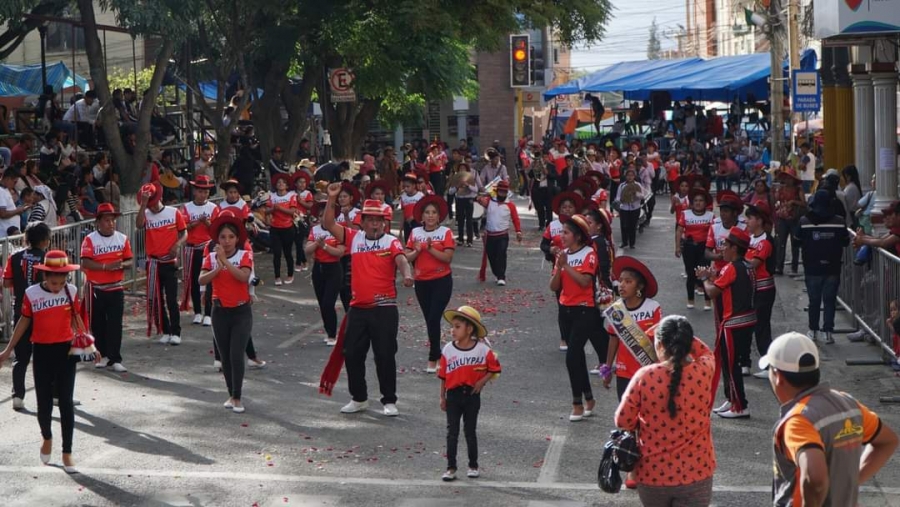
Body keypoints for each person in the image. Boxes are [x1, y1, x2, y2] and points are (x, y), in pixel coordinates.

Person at [762, 332, 898, 506]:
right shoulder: (847, 403)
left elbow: (815, 476)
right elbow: (888, 441)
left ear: (778, 376)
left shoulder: (797, 421)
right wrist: (851, 481)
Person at [322, 185, 414, 416]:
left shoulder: (391, 242)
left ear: (384, 222)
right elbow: (328, 224)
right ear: (362, 221)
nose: (374, 224)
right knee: (352, 354)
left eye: (378, 220)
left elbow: (402, 259)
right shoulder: (354, 238)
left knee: (384, 354)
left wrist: (408, 274)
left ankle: (389, 400)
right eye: (370, 220)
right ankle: (359, 398)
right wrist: (332, 198)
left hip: (384, 308)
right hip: (358, 309)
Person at [0, 250, 91, 473]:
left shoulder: (72, 290)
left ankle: (67, 452)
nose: (57, 286)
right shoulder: (31, 294)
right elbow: (23, 321)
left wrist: (90, 345)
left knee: (66, 402)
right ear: (44, 276)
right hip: (40, 351)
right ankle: (47, 437)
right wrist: (8, 350)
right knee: (44, 403)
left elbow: (76, 319)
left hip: (66, 351)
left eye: (61, 281)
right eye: (53, 282)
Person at [614, 316, 716, 505]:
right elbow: (707, 352)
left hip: (653, 474)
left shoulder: (645, 376)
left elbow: (622, 420)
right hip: (698, 471)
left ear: (660, 345)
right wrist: (684, 335)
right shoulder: (704, 369)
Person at [550, 214, 608, 421]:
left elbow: (585, 281)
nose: (561, 235)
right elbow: (554, 286)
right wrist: (559, 267)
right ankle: (589, 398)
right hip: (566, 310)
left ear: (577, 236)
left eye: (566, 232)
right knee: (577, 357)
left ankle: (576, 403)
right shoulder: (562, 254)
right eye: (562, 231)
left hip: (585, 310)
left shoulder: (589, 253)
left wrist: (565, 265)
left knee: (571, 356)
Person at [198, 210, 254, 414]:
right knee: (224, 356)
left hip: (241, 312)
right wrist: (217, 266)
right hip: (219, 311)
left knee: (236, 353)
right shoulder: (211, 257)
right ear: (217, 239)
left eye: (231, 237)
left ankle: (238, 397)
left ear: (237, 239)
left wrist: (226, 263)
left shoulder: (245, 255)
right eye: (223, 237)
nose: (227, 241)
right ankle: (231, 393)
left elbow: (243, 277)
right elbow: (201, 280)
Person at [698, 227, 756, 419]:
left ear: (734, 248)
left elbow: (712, 292)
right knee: (732, 363)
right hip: (747, 320)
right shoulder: (747, 266)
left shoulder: (731, 267)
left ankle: (740, 405)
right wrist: (713, 278)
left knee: (731, 365)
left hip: (733, 323)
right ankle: (732, 399)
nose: (722, 248)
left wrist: (705, 279)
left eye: (726, 245)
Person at [438, 305, 501, 482]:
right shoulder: (448, 350)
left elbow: (494, 368)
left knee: (470, 430)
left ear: (470, 329)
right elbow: (443, 375)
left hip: (472, 395)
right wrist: (442, 397)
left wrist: (482, 381)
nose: (453, 330)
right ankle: (451, 467)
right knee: (452, 432)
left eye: (458, 326)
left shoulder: (482, 350)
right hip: (453, 395)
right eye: (452, 326)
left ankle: (473, 465)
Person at [80, 204, 133, 373]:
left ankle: (115, 358)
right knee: (98, 323)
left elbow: (130, 261)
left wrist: (121, 265)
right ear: (98, 222)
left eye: (113, 220)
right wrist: (105, 267)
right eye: (107, 220)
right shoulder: (89, 239)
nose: (111, 223)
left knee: (115, 325)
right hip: (96, 288)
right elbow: (85, 262)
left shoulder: (122, 238)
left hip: (115, 288)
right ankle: (102, 356)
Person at [3, 223, 50, 411]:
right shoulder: (47, 257)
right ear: (45, 240)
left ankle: (18, 396)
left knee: (20, 356)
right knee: (47, 354)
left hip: (21, 309)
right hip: (43, 311)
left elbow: (6, 283)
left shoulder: (14, 257)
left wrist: (22, 282)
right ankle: (52, 394)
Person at [405, 196, 455, 373]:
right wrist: (417, 250)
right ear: (422, 216)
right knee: (429, 320)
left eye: (434, 212)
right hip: (421, 282)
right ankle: (437, 353)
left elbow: (447, 258)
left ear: (439, 216)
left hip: (442, 281)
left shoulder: (445, 233)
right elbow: (406, 257)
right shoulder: (415, 233)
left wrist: (430, 248)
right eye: (427, 212)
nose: (431, 216)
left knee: (434, 317)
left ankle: (433, 356)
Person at [136, 183, 187, 345]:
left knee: (171, 298)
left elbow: (184, 232)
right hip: (153, 263)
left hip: (169, 262)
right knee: (157, 299)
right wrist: (143, 206)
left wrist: (177, 244)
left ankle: (176, 331)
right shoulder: (146, 214)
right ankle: (165, 330)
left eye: (152, 202)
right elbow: (138, 225)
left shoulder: (173, 213)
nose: (152, 206)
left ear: (160, 198)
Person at [799, 190, 850, 345]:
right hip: (832, 268)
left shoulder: (804, 221)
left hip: (812, 268)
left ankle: (813, 331)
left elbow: (796, 241)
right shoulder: (839, 221)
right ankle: (828, 332)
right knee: (829, 301)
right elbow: (845, 241)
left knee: (814, 301)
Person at [306, 197, 346, 347]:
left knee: (329, 302)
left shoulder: (339, 230)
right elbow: (307, 250)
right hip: (319, 268)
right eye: (321, 214)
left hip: (334, 268)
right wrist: (317, 243)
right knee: (322, 303)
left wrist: (325, 247)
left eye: (327, 214)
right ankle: (329, 329)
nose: (324, 217)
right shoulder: (314, 230)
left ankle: (332, 334)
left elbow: (340, 252)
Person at [180, 175, 218, 326]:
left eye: (206, 192)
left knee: (209, 280)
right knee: (194, 279)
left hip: (208, 247)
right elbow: (183, 227)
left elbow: (216, 229)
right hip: (192, 248)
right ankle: (197, 311)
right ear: (195, 191)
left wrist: (207, 222)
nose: (203, 194)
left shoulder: (213, 208)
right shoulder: (187, 207)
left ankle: (208, 312)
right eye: (200, 191)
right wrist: (197, 222)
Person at [745, 203, 776, 377]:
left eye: (750, 218)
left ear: (759, 220)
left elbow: (753, 264)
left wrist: (735, 265)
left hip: (764, 289)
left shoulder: (765, 242)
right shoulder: (750, 239)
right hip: (753, 289)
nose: (747, 221)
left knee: (762, 327)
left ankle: (769, 365)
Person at [477, 180, 522, 286]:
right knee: (491, 256)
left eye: (504, 192)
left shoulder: (510, 205)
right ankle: (497, 273)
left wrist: (518, 231)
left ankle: (501, 276)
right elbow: (479, 200)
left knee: (501, 254)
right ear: (497, 191)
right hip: (490, 235)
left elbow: (515, 219)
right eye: (500, 191)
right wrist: (484, 193)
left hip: (503, 235)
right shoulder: (489, 201)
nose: (502, 194)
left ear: (507, 192)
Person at [676, 188, 714, 310]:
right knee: (691, 274)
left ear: (705, 202)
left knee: (704, 274)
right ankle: (690, 300)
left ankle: (708, 302)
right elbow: (679, 230)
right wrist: (677, 247)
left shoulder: (711, 216)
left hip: (705, 248)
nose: (698, 203)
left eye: (701, 200)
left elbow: (714, 233)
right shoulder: (685, 214)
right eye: (695, 200)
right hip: (689, 247)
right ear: (692, 202)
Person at [267, 174, 299, 286]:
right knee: (276, 253)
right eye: (278, 182)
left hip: (288, 228)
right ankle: (277, 276)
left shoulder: (291, 196)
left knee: (287, 253)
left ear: (286, 185)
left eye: (283, 182)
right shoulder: (272, 196)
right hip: (275, 228)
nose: (280, 184)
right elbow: (266, 210)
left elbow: (293, 212)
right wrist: (272, 210)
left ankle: (290, 274)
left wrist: (280, 208)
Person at [773, 169, 806, 275]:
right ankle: (779, 266)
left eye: (790, 178)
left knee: (794, 244)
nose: (788, 180)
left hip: (794, 219)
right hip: (782, 218)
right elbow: (775, 201)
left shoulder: (798, 190)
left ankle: (794, 267)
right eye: (786, 178)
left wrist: (793, 202)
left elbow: (804, 204)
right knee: (780, 243)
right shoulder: (781, 189)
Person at [705, 190, 747, 272]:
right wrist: (717, 256)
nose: (722, 214)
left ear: (735, 213)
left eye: (726, 211)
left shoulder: (744, 228)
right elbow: (707, 252)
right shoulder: (714, 227)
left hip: (737, 270)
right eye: (721, 211)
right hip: (718, 271)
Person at [615, 167, 643, 249]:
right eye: (628, 175)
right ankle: (624, 242)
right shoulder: (622, 185)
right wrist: (622, 200)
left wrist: (635, 194)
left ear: (634, 176)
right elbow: (617, 197)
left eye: (631, 175)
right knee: (624, 226)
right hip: (624, 208)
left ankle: (632, 243)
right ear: (625, 176)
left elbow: (642, 196)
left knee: (632, 226)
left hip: (635, 208)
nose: (630, 177)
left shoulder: (638, 185)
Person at [449, 162, 477, 246]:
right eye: (460, 169)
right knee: (460, 220)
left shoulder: (470, 177)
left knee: (469, 220)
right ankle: (460, 239)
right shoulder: (456, 178)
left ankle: (469, 240)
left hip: (469, 200)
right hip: (459, 200)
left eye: (464, 169)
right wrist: (457, 186)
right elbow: (450, 192)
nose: (462, 170)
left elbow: (476, 189)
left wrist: (468, 185)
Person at [0, 168, 31, 238]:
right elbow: (2, 214)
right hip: (5, 235)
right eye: (14, 182)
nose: (15, 185)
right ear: (8, 179)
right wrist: (18, 210)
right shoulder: (1, 191)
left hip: (11, 235)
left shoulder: (5, 190)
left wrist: (20, 208)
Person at [399, 173, 424, 242]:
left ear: (414, 185)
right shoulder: (403, 197)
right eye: (404, 187)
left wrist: (413, 217)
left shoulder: (420, 196)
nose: (406, 189)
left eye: (408, 186)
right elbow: (403, 213)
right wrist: (400, 229)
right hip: (407, 223)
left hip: (417, 222)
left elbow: (423, 210)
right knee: (408, 241)